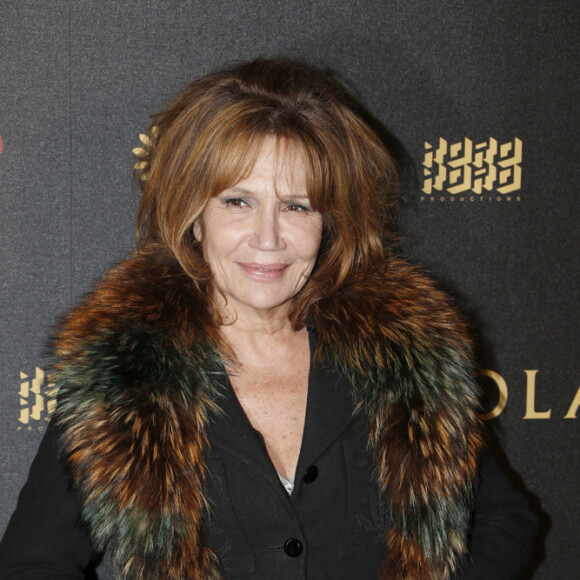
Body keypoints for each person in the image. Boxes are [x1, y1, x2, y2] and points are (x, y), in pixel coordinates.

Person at [0, 59, 536, 579]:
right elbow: (33, 562)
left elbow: (503, 519)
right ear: (192, 217)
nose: (268, 238)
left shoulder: (405, 354)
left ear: (331, 223)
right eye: (237, 201)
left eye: (297, 206)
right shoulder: (124, 374)